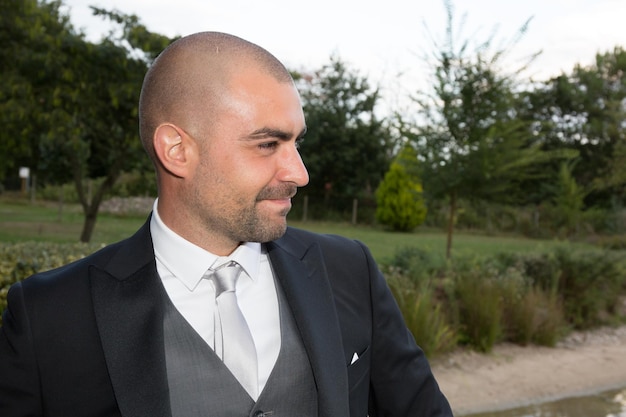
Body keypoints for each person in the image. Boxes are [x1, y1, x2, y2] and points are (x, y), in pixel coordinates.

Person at [0, 32, 453, 417]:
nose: (300, 173)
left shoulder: (348, 271)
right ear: (176, 149)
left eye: (296, 142)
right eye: (267, 144)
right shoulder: (49, 317)